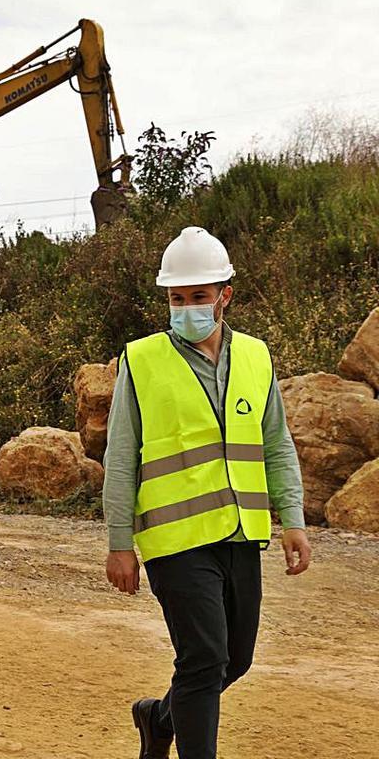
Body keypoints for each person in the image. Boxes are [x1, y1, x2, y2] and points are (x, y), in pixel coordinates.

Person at [102, 226, 311, 759]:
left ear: (225, 296)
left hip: (241, 531)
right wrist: (119, 542)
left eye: (199, 296)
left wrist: (294, 520)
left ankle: (158, 716)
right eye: (178, 298)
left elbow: (276, 444)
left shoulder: (257, 358)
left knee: (234, 661)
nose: (188, 307)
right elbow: (121, 455)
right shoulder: (142, 360)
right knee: (203, 658)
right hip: (174, 540)